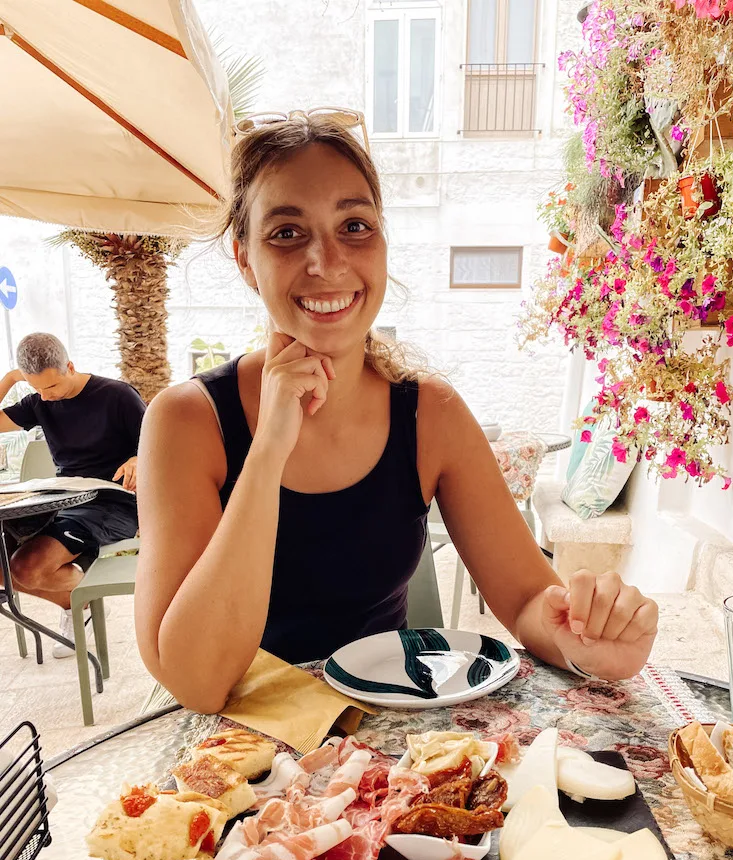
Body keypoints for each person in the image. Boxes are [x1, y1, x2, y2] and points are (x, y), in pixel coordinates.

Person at [135, 111, 658, 715]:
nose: (326, 261)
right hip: (232, 766)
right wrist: (269, 446)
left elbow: (525, 600)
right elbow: (197, 683)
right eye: (285, 233)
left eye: (354, 226)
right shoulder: (186, 422)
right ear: (245, 259)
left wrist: (586, 639)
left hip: (386, 760)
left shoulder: (429, 412)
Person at [0, 333, 145, 656]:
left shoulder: (117, 395)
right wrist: (10, 379)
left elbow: (159, 444)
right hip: (65, 496)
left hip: (113, 501)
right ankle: (78, 605)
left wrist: (138, 458)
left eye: (51, 387)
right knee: (2, 566)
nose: (46, 397)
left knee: (26, 568)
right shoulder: (38, 401)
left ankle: (80, 603)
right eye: (36, 388)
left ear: (69, 366)